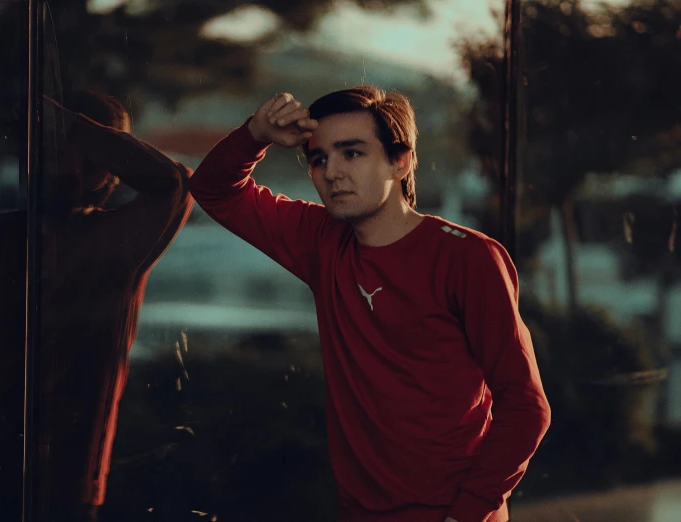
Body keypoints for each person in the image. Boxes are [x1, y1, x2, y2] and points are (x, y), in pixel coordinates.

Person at [188, 86, 551, 522]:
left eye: (352, 153)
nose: (332, 172)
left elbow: (526, 406)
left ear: (401, 161)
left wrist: (467, 513)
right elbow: (213, 189)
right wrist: (256, 134)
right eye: (319, 159)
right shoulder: (321, 241)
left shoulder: (467, 257)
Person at [0, 90, 194, 522]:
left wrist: (70, 125)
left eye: (92, 152)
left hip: (67, 481)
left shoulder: (120, 239)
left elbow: (174, 183)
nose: (70, 163)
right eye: (53, 147)